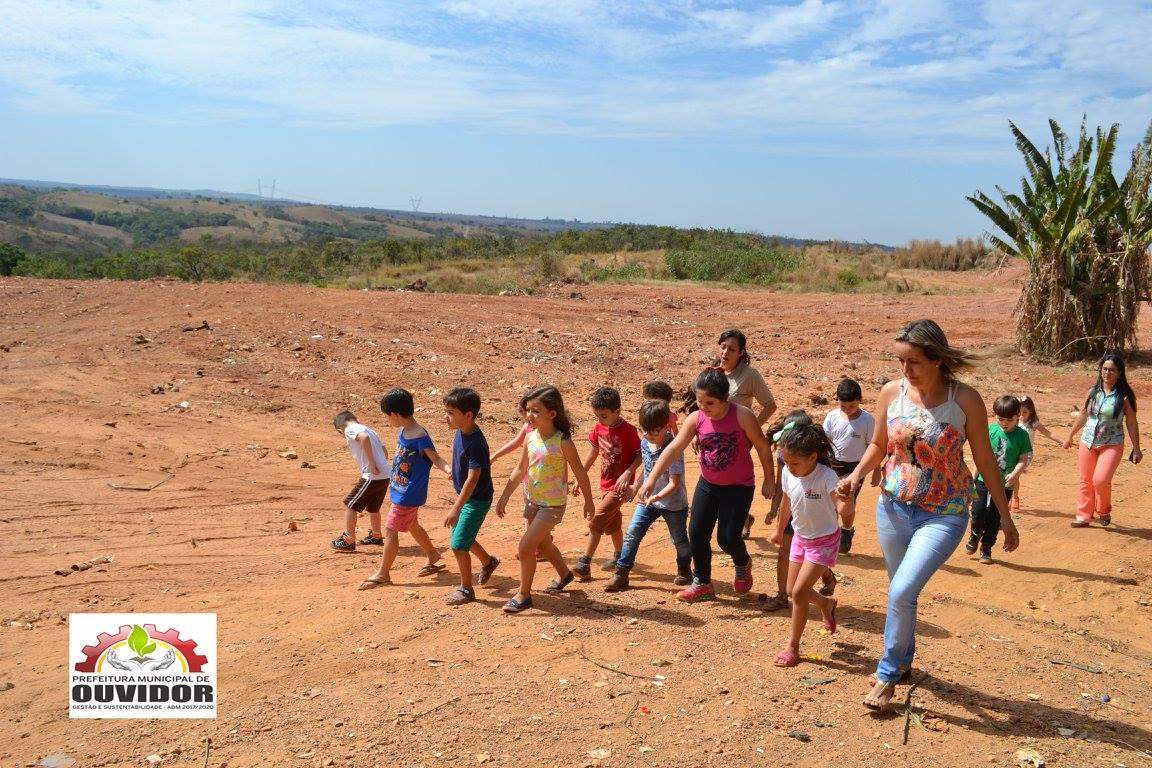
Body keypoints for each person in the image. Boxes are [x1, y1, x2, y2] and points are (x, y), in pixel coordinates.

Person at [836, 319, 1020, 711]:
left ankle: (887, 674)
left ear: (937, 359)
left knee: (902, 590)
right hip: (893, 507)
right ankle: (903, 660)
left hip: (944, 513)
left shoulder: (964, 400)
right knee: (901, 590)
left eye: (914, 362)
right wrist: (855, 476)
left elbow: (985, 459)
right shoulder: (892, 393)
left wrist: (1004, 515)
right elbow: (878, 445)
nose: (906, 370)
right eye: (901, 361)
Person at [638, 367, 775, 602]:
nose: (703, 407)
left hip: (739, 486)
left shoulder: (742, 415)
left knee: (727, 539)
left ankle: (742, 562)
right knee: (697, 533)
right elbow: (674, 448)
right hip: (708, 484)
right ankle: (702, 582)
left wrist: (769, 480)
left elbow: (762, 446)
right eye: (700, 401)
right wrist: (651, 479)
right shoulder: (696, 418)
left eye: (710, 403)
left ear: (725, 398)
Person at [493, 386, 595, 613]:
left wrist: (589, 501)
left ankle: (523, 595)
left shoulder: (563, 441)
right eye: (528, 410)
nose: (529, 415)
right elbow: (520, 468)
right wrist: (504, 496)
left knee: (526, 547)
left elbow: (580, 472)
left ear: (552, 413)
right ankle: (565, 574)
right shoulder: (530, 437)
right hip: (532, 501)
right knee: (543, 543)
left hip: (553, 505)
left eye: (536, 411)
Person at [772, 423, 848, 666]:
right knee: (792, 591)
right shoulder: (788, 473)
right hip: (800, 538)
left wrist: (847, 500)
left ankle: (792, 646)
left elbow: (844, 511)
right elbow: (786, 503)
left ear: (813, 457)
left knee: (798, 593)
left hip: (824, 541)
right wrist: (779, 531)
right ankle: (826, 603)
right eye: (786, 462)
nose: (789, 467)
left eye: (795, 463)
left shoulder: (826, 477)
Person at [359, 388, 449, 590]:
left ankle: (383, 573)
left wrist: (449, 470)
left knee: (391, 530)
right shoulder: (403, 431)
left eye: (387, 416)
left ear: (395, 414)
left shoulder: (419, 436)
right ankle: (433, 554)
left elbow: (435, 458)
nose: (388, 419)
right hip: (400, 488)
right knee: (412, 524)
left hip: (408, 494)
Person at [606, 399, 692, 592]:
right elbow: (647, 470)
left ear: (667, 427)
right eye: (644, 430)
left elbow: (674, 483)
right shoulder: (645, 443)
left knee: (679, 539)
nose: (648, 436)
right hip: (649, 501)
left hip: (673, 503)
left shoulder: (674, 448)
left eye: (655, 431)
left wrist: (656, 496)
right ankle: (621, 573)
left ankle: (685, 569)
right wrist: (635, 486)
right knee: (633, 533)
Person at [761, 411, 837, 611]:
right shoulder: (785, 455)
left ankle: (826, 575)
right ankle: (782, 595)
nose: (790, 465)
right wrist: (776, 514)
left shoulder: (821, 470)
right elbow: (784, 487)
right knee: (784, 553)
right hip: (792, 515)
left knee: (811, 559)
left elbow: (835, 501)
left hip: (816, 525)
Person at [1063, 353, 1142, 527]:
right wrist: (1070, 435)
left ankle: (1103, 510)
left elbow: (1131, 422)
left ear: (1119, 373)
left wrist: (1136, 448)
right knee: (1086, 480)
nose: (1107, 373)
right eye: (1105, 369)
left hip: (1112, 444)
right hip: (1088, 441)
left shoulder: (1124, 396)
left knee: (1100, 480)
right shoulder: (1093, 392)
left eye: (1112, 370)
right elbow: (1083, 415)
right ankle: (1083, 516)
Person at [572, 387, 642, 580]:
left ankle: (585, 563)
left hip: (620, 486)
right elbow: (593, 453)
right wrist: (580, 476)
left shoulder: (628, 431)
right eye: (597, 416)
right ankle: (620, 556)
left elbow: (640, 455)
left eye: (603, 416)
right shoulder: (598, 428)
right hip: (605, 483)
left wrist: (628, 473)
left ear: (617, 411)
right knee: (612, 522)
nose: (600, 420)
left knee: (597, 520)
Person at [441, 387, 501, 606]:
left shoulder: (476, 442)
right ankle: (488, 561)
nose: (446, 417)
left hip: (476, 500)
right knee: (463, 536)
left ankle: (466, 589)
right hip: (466, 497)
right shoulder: (461, 431)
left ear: (468, 415)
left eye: (450, 413)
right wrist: (455, 472)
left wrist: (456, 508)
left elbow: (473, 479)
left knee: (458, 545)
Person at [716, 330, 777, 539]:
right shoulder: (715, 371)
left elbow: (770, 405)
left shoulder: (749, 375)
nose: (725, 352)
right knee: (719, 477)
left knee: (735, 480)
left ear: (741, 352)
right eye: (723, 347)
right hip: (714, 437)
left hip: (738, 439)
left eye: (732, 349)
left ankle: (740, 518)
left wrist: (752, 429)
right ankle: (743, 518)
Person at [966, 395, 1031, 564]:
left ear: (1018, 416)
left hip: (1005, 485)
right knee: (978, 511)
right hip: (983, 480)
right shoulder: (990, 430)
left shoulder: (1022, 435)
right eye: (1001, 419)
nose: (1004, 423)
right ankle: (975, 535)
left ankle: (986, 548)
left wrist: (1016, 473)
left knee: (995, 518)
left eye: (1009, 420)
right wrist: (973, 477)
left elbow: (1024, 458)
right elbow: (981, 456)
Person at [823, 378, 881, 554]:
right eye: (843, 406)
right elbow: (824, 441)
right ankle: (830, 533)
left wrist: (876, 471)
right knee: (829, 500)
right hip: (832, 464)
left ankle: (846, 530)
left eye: (852, 406)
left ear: (860, 400)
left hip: (856, 468)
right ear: (837, 400)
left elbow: (874, 446)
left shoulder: (867, 420)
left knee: (847, 499)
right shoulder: (832, 416)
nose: (847, 410)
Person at [330, 411, 391, 553]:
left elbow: (364, 438)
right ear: (357, 419)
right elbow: (384, 451)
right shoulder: (370, 430)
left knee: (350, 504)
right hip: (384, 475)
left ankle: (348, 540)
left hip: (371, 475)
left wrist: (371, 464)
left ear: (339, 430)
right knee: (373, 507)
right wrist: (381, 464)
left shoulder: (350, 429)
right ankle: (376, 536)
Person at [1011, 395, 1060, 510]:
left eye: (1024, 412)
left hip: (1025, 454)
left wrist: (1063, 441)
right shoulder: (1014, 421)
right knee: (1010, 474)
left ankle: (1014, 498)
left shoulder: (1033, 423)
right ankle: (1009, 497)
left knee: (1015, 475)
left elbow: (1048, 433)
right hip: (1012, 451)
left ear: (1031, 411)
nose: (1021, 415)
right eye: (1019, 412)